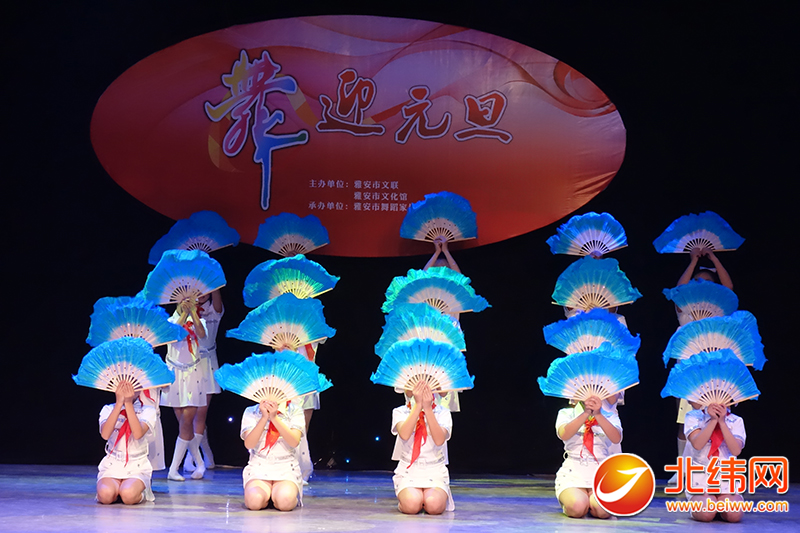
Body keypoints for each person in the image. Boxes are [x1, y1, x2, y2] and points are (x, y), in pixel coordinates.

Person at [669, 247, 734, 483]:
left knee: (716, 417)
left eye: (707, 282)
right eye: (697, 281)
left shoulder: (719, 311)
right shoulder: (685, 309)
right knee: (685, 419)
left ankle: (716, 469)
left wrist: (714, 258)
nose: (701, 285)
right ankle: (682, 470)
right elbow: (678, 290)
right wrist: (693, 261)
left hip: (715, 369)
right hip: (688, 369)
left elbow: (729, 289)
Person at [161, 297, 208, 481]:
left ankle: (173, 469)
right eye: (184, 301)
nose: (187, 304)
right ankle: (200, 463)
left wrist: (193, 314)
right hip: (174, 374)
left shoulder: (199, 320)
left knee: (187, 422)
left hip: (193, 373)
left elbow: (202, 334)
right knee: (183, 424)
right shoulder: (170, 321)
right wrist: (183, 315)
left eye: (191, 301)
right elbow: (171, 335)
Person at [392, 381, 454, 514]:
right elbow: (404, 435)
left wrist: (427, 409)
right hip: (408, 470)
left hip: (435, 470)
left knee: (434, 505)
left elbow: (439, 440)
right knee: (412, 505)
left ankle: (439, 496)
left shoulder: (443, 413)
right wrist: (418, 405)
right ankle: (406, 500)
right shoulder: (401, 411)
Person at [555, 395, 622, 519]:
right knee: (577, 508)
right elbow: (564, 434)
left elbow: (616, 438)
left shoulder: (610, 416)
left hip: (600, 473)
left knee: (603, 511)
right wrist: (585, 413)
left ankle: (592, 503)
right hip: (573, 472)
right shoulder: (566, 413)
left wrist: (598, 414)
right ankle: (572, 503)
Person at [683, 402, 745, 522]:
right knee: (706, 512)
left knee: (734, 514)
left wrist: (722, 422)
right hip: (701, 480)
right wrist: (712, 420)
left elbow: (736, 450)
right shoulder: (693, 416)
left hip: (727, 479)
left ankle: (721, 506)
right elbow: (697, 444)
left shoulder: (736, 420)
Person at [96, 380, 157, 504]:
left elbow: (138, 434)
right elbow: (105, 434)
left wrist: (128, 403)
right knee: (106, 496)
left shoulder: (148, 410)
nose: (128, 389)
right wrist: (119, 403)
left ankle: (142, 490)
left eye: (133, 385)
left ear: (140, 389)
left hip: (137, 465)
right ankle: (116, 490)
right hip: (112, 463)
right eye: (124, 386)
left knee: (128, 495)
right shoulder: (108, 409)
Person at [183, 290, 223, 474]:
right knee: (188, 416)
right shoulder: (184, 312)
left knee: (201, 413)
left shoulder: (214, 310)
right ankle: (206, 454)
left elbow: (216, 299)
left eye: (206, 290)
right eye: (198, 291)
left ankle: (190, 458)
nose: (202, 294)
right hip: (188, 364)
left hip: (208, 363)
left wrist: (214, 286)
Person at [241, 398, 305, 511]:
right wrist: (264, 417)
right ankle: (267, 496)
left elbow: (294, 442)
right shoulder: (251, 411)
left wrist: (274, 418)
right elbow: (249, 444)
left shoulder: (295, 411)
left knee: (285, 502)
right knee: (254, 501)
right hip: (259, 466)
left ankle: (280, 495)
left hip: (286, 467)